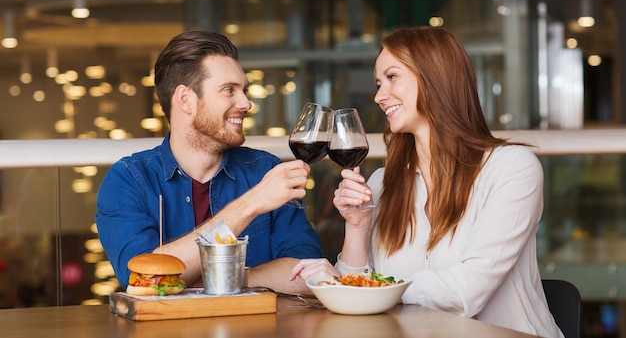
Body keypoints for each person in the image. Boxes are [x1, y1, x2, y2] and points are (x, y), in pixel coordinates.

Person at [291, 27, 564, 337]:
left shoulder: (511, 169)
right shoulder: (382, 183)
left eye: (392, 77)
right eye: (379, 83)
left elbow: (465, 291)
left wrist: (362, 289)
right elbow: (355, 305)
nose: (379, 97)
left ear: (436, 77)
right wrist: (357, 225)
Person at [96, 30, 336, 295]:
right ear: (185, 99)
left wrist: (221, 277)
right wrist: (251, 203)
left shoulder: (266, 170)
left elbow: (309, 275)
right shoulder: (129, 180)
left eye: (243, 90)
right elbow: (142, 279)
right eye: (229, 90)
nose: (246, 103)